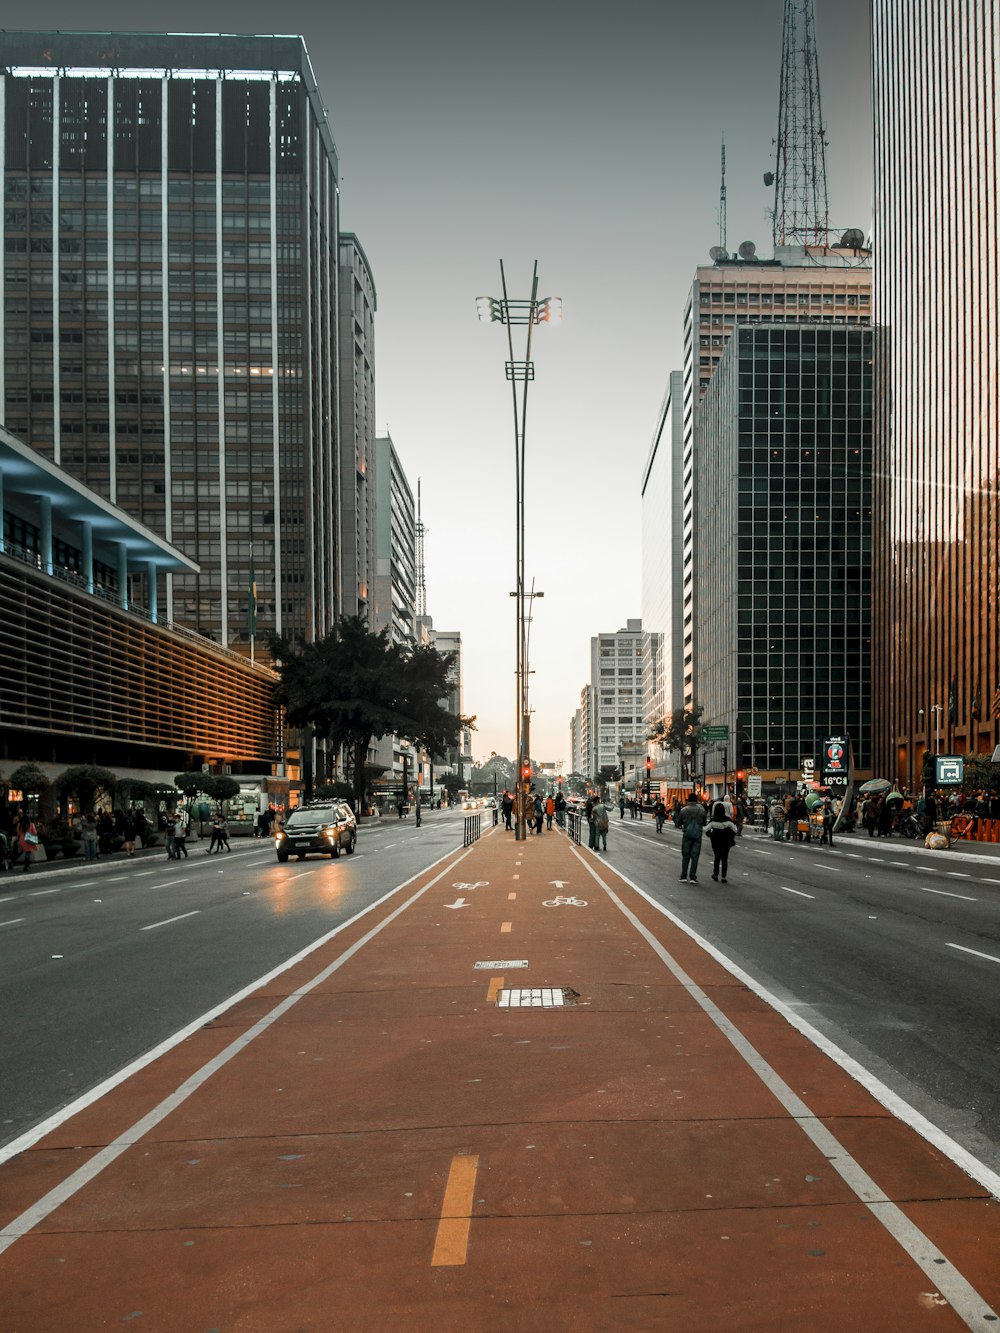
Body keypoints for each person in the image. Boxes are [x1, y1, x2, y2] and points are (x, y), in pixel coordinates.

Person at [677, 792, 707, 883]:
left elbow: (679, 823)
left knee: (686, 855)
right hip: (698, 834)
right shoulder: (701, 810)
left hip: (687, 834)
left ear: (689, 800)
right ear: (696, 800)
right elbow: (705, 822)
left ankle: (683, 876)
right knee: (695, 856)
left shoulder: (684, 810)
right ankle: (693, 876)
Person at [706, 801, 738, 883]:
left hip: (716, 841)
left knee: (717, 858)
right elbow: (735, 830)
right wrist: (731, 837)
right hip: (726, 842)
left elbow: (706, 830)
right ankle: (724, 877)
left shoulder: (713, 821)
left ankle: (715, 874)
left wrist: (711, 835)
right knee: (724, 859)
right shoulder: (728, 820)